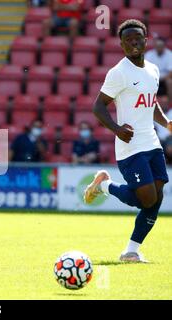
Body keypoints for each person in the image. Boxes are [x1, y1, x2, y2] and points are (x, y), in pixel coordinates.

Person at [84, 19, 172, 263]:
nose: (133, 43)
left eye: (137, 39)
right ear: (121, 45)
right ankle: (104, 186)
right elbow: (98, 106)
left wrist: (166, 123)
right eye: (128, 40)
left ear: (146, 41)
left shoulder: (153, 70)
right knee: (145, 199)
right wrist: (116, 128)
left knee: (157, 198)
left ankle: (131, 251)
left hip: (152, 143)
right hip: (130, 146)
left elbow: (151, 102)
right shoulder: (119, 72)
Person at [145, 38, 172, 102]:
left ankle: (170, 103)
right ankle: (149, 102)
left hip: (165, 78)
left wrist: (162, 78)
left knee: (170, 82)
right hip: (152, 77)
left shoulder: (170, 54)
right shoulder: (149, 54)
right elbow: (145, 70)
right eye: (158, 46)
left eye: (161, 46)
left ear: (164, 46)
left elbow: (171, 72)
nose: (159, 47)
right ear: (155, 46)